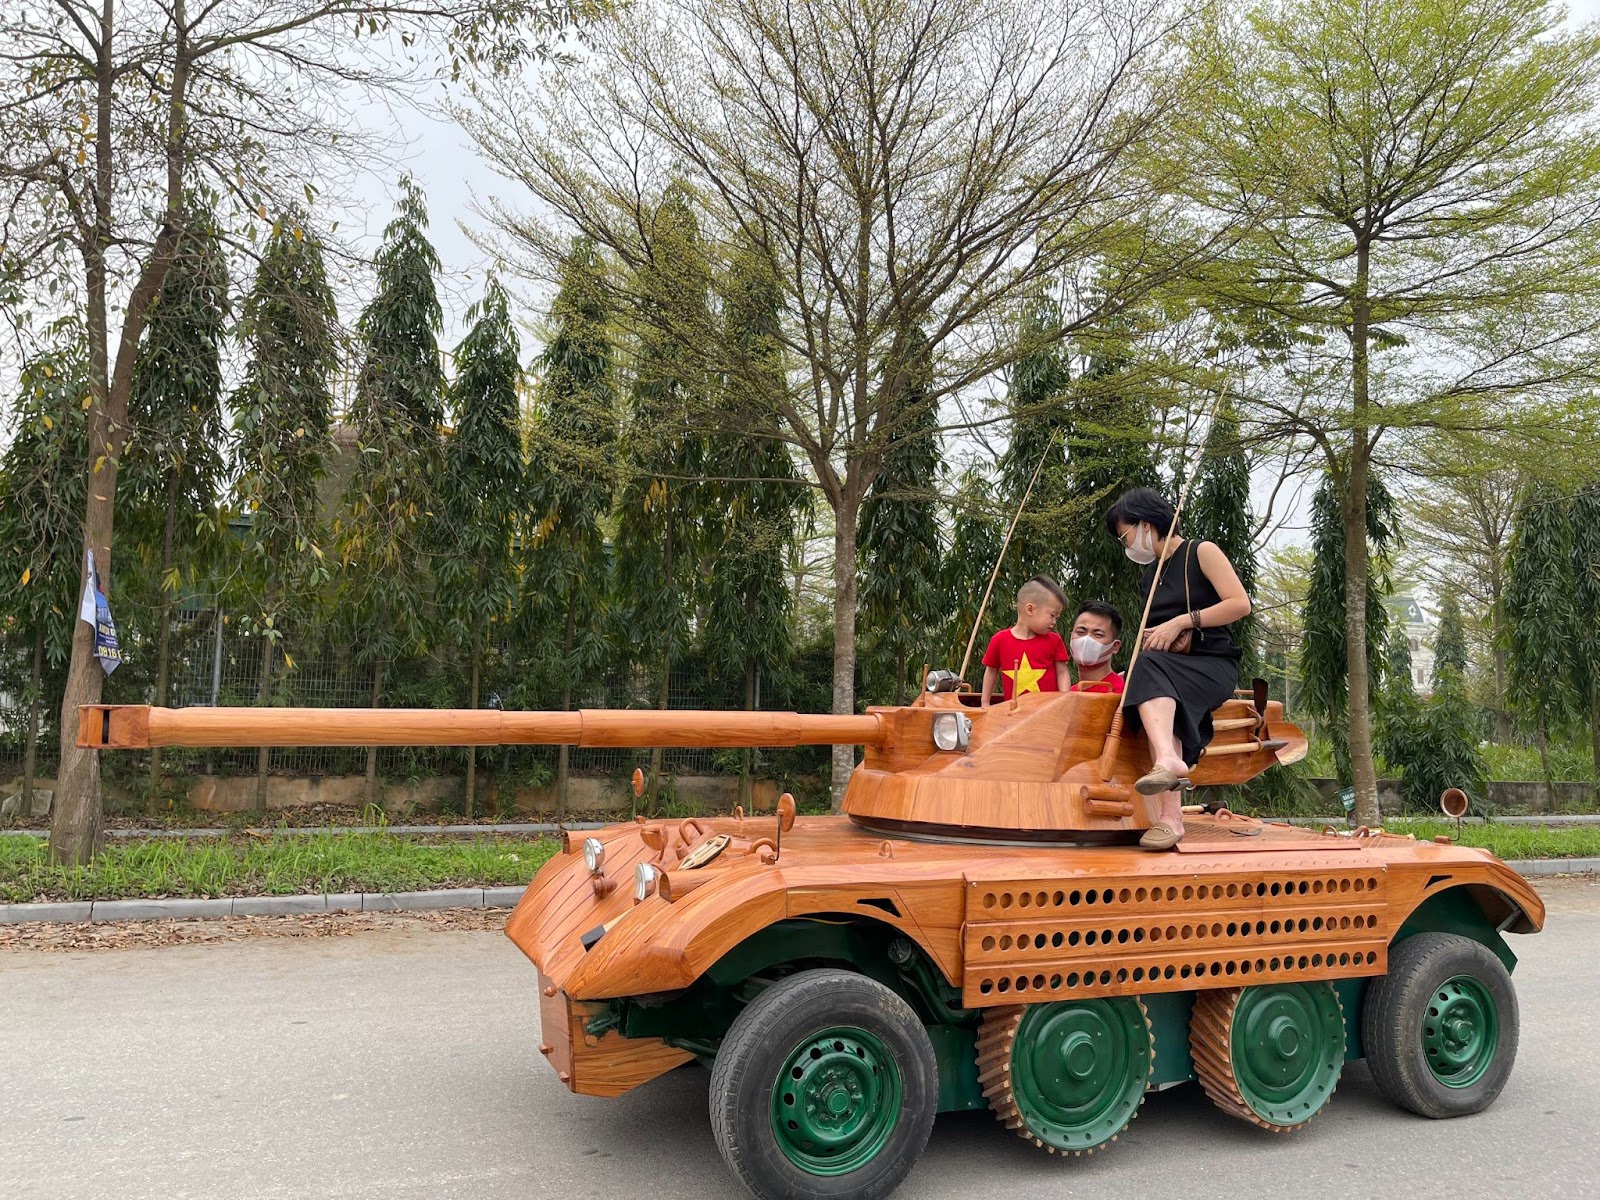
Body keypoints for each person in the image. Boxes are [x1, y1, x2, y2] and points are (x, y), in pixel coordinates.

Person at [1106, 487, 1251, 850]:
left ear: (1145, 524)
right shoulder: (1151, 575)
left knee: (1153, 672)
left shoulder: (1201, 552)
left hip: (1212, 662)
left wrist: (1183, 621)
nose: (1126, 545)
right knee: (1149, 679)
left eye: (1124, 534)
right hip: (1168, 666)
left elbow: (1239, 604)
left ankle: (1171, 808)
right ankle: (1169, 781)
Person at [980, 575, 1070, 707]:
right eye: (1052, 615)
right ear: (1030, 609)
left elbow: (1062, 672)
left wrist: (1065, 700)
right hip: (1013, 714)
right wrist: (985, 703)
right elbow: (991, 671)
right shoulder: (999, 640)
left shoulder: (1054, 640)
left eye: (1057, 617)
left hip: (1048, 712)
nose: (1054, 622)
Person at [1067, 600, 1125, 694]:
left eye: (1098, 634)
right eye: (1081, 632)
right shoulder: (1067, 693)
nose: (1086, 639)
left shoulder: (1121, 695)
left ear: (1115, 646)